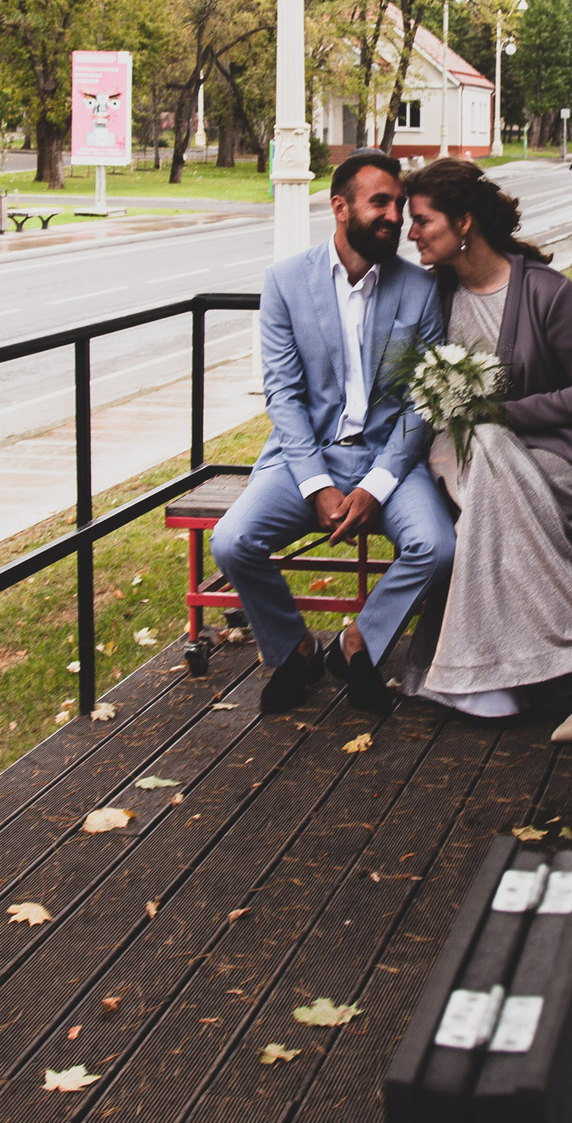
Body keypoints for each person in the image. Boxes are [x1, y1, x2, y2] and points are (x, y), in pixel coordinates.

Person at [400, 157, 572, 741]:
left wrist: (505, 413)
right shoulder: (428, 295)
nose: (411, 233)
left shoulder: (547, 291)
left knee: (491, 450)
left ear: (463, 222)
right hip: (453, 455)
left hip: (553, 458)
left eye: (421, 220)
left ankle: (510, 674)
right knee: (485, 449)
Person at [210, 150, 456, 717]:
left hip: (389, 458)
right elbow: (283, 396)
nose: (394, 216)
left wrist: (377, 484)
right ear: (340, 207)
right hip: (306, 456)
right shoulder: (285, 282)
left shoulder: (420, 289)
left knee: (438, 547)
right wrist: (316, 484)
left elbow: (422, 401)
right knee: (231, 542)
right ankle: (294, 648)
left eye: (399, 204)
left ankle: (358, 642)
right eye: (380, 203)